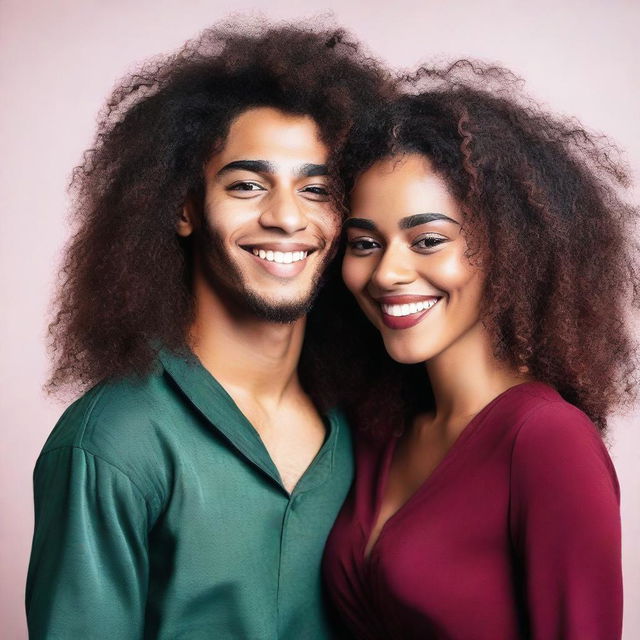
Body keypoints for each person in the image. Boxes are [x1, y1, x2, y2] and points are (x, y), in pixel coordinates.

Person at [26, 20, 391, 639]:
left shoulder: (367, 424)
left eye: (317, 189)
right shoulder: (112, 443)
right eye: (248, 185)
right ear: (185, 207)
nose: (285, 217)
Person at [322, 61, 636, 639]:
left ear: (508, 246)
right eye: (365, 243)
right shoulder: (379, 427)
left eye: (429, 240)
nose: (388, 271)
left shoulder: (546, 442)